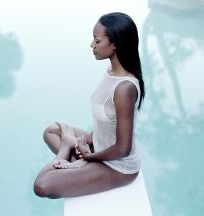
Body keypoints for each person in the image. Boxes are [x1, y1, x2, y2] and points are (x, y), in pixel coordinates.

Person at [33, 12, 145, 199]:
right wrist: (89, 144)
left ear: (115, 44)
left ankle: (69, 154)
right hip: (99, 143)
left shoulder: (125, 88)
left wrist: (87, 156)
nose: (92, 46)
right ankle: (77, 163)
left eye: (97, 41)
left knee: (42, 186)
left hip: (117, 165)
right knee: (51, 131)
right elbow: (107, 120)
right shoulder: (111, 71)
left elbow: (123, 148)